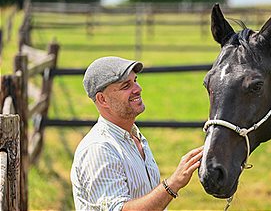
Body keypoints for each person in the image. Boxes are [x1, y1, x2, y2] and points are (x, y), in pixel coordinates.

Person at [70, 56, 203, 210]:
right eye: (126, 86)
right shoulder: (99, 149)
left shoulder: (134, 136)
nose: (138, 89)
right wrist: (173, 184)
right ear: (102, 99)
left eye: (135, 80)